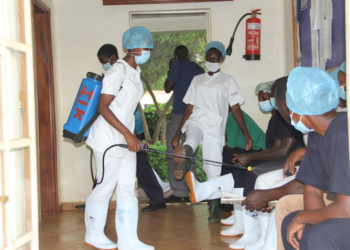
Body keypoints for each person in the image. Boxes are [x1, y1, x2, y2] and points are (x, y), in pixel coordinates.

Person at [85, 26, 154, 250]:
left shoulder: (135, 72)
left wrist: (134, 137)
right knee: (104, 187)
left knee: (127, 189)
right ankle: (93, 235)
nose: (149, 51)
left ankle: (128, 240)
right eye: (146, 47)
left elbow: (125, 110)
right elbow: (103, 107)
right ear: (132, 46)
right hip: (107, 140)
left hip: (125, 139)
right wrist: (126, 134)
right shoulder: (118, 71)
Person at [173, 41, 253, 224]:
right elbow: (189, 107)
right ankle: (183, 160)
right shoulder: (197, 79)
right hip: (197, 120)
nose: (212, 61)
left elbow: (236, 109)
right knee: (191, 136)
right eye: (209, 59)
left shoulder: (227, 80)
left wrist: (246, 133)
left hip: (215, 127)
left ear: (221, 60)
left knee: (213, 169)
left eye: (216, 59)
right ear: (205, 59)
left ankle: (214, 211)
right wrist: (178, 133)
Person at [281, 67, 350, 250]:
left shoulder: (342, 132)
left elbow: (346, 208)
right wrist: (309, 223)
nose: (290, 115)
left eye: (290, 109)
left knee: (322, 234)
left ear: (302, 110)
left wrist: (302, 217)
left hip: (348, 210)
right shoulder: (317, 135)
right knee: (296, 226)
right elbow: (312, 191)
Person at [164, 45, 204, 203]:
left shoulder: (177, 65)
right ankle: (191, 190)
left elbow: (168, 88)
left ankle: (179, 193)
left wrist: (170, 68)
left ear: (175, 56)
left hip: (180, 113)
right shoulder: (199, 69)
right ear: (190, 54)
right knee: (190, 153)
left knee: (174, 154)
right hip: (196, 115)